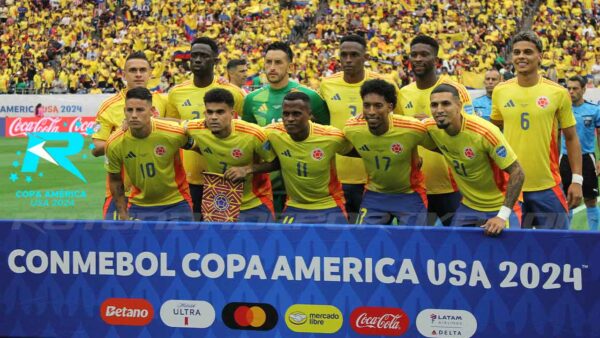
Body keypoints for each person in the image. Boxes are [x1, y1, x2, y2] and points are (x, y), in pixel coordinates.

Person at [491, 31, 583, 229]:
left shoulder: (557, 93)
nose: (521, 56)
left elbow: (572, 138)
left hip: (547, 186)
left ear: (539, 56)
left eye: (528, 52)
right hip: (512, 187)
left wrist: (577, 179)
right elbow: (494, 135)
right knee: (513, 252)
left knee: (558, 248)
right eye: (516, 52)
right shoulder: (500, 91)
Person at [319, 34, 401, 222]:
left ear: (365, 57)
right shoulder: (327, 84)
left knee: (375, 236)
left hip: (377, 175)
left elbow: (401, 122)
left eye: (354, 55)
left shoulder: (385, 84)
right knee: (342, 236)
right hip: (339, 174)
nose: (348, 60)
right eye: (344, 55)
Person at [243, 41, 329, 216]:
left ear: (290, 66)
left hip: (303, 183)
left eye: (278, 62)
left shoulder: (310, 97)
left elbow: (327, 134)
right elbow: (249, 139)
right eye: (268, 62)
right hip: (266, 183)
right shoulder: (252, 99)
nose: (272, 67)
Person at [426, 84, 525, 235]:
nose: (439, 110)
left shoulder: (485, 132)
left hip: (500, 205)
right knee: (454, 251)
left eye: (446, 103)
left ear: (459, 106)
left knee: (508, 255)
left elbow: (518, 172)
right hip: (469, 206)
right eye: (434, 105)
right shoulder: (431, 128)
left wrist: (501, 216)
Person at [166, 37, 246, 221]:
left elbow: (249, 127)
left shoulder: (234, 92)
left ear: (215, 61)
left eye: (203, 56)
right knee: (190, 235)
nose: (197, 60)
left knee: (222, 236)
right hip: (188, 179)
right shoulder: (176, 93)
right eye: (194, 56)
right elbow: (172, 127)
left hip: (224, 178)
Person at [398, 35, 473, 226]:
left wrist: (432, 123)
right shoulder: (403, 93)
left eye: (424, 54)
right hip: (415, 187)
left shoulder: (455, 90)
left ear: (436, 60)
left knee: (459, 243)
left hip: (452, 186)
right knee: (418, 245)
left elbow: (471, 133)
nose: (418, 59)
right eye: (414, 54)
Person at [91, 51, 167, 220]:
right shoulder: (109, 106)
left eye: (142, 70)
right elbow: (95, 148)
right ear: (124, 75)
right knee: (115, 243)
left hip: (158, 192)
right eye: (133, 70)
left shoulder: (162, 101)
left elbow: (179, 127)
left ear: (150, 73)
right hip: (120, 190)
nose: (138, 74)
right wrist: (122, 133)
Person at [344, 79, 429, 225]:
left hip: (409, 194)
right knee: (365, 242)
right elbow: (347, 148)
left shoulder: (412, 128)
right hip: (374, 194)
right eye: (367, 105)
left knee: (415, 243)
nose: (371, 112)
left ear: (390, 107)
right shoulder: (352, 129)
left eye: (378, 106)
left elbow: (439, 144)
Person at [186, 88, 277, 222]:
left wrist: (247, 169)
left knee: (262, 242)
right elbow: (174, 128)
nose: (214, 117)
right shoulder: (195, 129)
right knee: (218, 243)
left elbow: (276, 163)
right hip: (220, 204)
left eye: (220, 112)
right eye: (209, 112)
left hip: (254, 202)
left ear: (233, 114)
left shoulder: (253, 134)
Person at [105, 87, 194, 221]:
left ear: (152, 111)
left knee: (180, 242)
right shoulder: (114, 143)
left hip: (176, 203)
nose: (134, 115)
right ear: (124, 111)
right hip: (139, 205)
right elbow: (115, 179)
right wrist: (122, 213)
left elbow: (201, 148)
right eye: (130, 110)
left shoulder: (174, 133)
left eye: (140, 110)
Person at [265, 91, 353, 224]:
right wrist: (248, 168)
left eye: (296, 114)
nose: (289, 119)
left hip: (329, 204)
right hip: (295, 205)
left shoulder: (331, 137)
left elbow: (359, 152)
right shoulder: (272, 133)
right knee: (285, 244)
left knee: (337, 244)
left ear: (310, 115)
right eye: (285, 114)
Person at [560, 75, 600, 231]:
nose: (571, 92)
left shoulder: (594, 110)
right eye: (568, 88)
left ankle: (594, 236)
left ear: (584, 89)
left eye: (575, 88)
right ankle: (566, 235)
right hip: (565, 159)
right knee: (565, 199)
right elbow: (555, 137)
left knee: (590, 199)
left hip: (587, 158)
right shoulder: (562, 110)